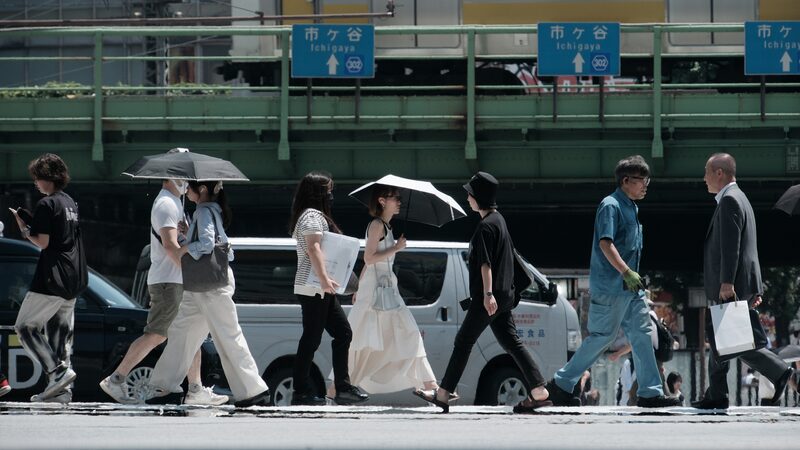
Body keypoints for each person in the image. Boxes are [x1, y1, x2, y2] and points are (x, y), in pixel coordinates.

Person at [546, 155, 680, 408]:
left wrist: (633, 278)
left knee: (642, 335)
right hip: (611, 287)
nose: (646, 185)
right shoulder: (611, 205)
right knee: (602, 338)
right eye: (642, 180)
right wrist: (627, 272)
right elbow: (605, 244)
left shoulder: (631, 206)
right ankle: (561, 383)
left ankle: (650, 393)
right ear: (626, 180)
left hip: (631, 290)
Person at [422, 172, 551, 413]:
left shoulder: (484, 227)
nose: (467, 198)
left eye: (469, 194)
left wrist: (487, 294)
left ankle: (443, 393)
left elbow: (486, 264)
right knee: (511, 341)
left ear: (477, 197)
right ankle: (538, 390)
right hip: (505, 296)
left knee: (463, 342)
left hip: (489, 297)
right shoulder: (499, 220)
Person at [100, 150, 212, 405]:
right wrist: (191, 272)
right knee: (158, 333)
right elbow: (171, 247)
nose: (188, 180)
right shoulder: (165, 204)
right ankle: (116, 378)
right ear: (173, 176)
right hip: (169, 281)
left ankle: (195, 388)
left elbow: (177, 243)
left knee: (190, 333)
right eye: (184, 175)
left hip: (175, 279)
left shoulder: (175, 204)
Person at [145, 180, 270, 407]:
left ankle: (253, 390)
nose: (186, 189)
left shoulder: (203, 210)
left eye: (190, 187)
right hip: (205, 283)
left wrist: (183, 248)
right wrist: (187, 233)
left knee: (224, 335)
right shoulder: (209, 210)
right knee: (184, 331)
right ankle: (163, 387)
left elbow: (206, 244)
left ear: (201, 190)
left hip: (209, 284)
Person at [692, 153, 794, 409]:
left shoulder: (729, 200)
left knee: (732, 340)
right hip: (741, 281)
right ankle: (716, 394)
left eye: (707, 172)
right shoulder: (740, 198)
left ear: (719, 173)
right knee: (721, 336)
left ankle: (778, 371)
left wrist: (727, 282)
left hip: (732, 283)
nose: (704, 178)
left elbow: (732, 246)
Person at [326, 184, 442, 400]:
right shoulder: (377, 225)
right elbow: (369, 258)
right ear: (381, 201)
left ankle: (431, 384)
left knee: (403, 334)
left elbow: (369, 263)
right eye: (394, 197)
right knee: (362, 341)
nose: (399, 201)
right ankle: (335, 388)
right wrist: (396, 248)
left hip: (386, 289)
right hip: (376, 293)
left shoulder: (386, 227)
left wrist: (359, 286)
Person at [11, 153, 87, 403]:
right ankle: (61, 393)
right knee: (59, 336)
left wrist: (24, 230)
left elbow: (42, 242)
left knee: (24, 327)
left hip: (51, 278)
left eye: (37, 178)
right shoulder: (70, 203)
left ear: (47, 178)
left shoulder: (46, 204)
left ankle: (58, 372)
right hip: (72, 278)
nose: (35, 183)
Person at [289, 171, 368, 406]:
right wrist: (324, 279)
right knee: (312, 339)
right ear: (318, 193)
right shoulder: (312, 217)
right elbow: (314, 248)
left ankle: (342, 387)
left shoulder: (311, 216)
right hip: (315, 286)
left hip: (320, 286)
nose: (331, 195)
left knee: (342, 333)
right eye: (328, 190)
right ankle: (302, 390)